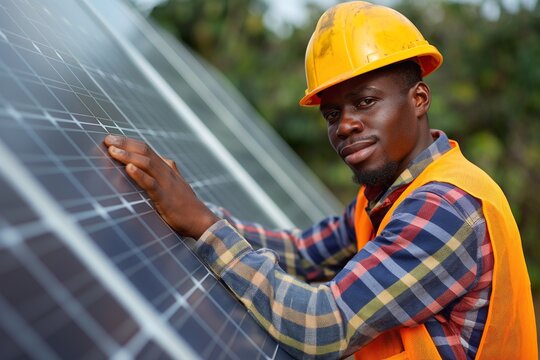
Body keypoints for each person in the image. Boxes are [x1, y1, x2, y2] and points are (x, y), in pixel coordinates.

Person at [103, 2, 537, 359]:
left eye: (365, 102)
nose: (345, 126)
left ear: (419, 99)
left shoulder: (442, 206)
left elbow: (322, 326)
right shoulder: (393, 194)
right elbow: (302, 253)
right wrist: (187, 209)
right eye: (332, 114)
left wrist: (203, 225)